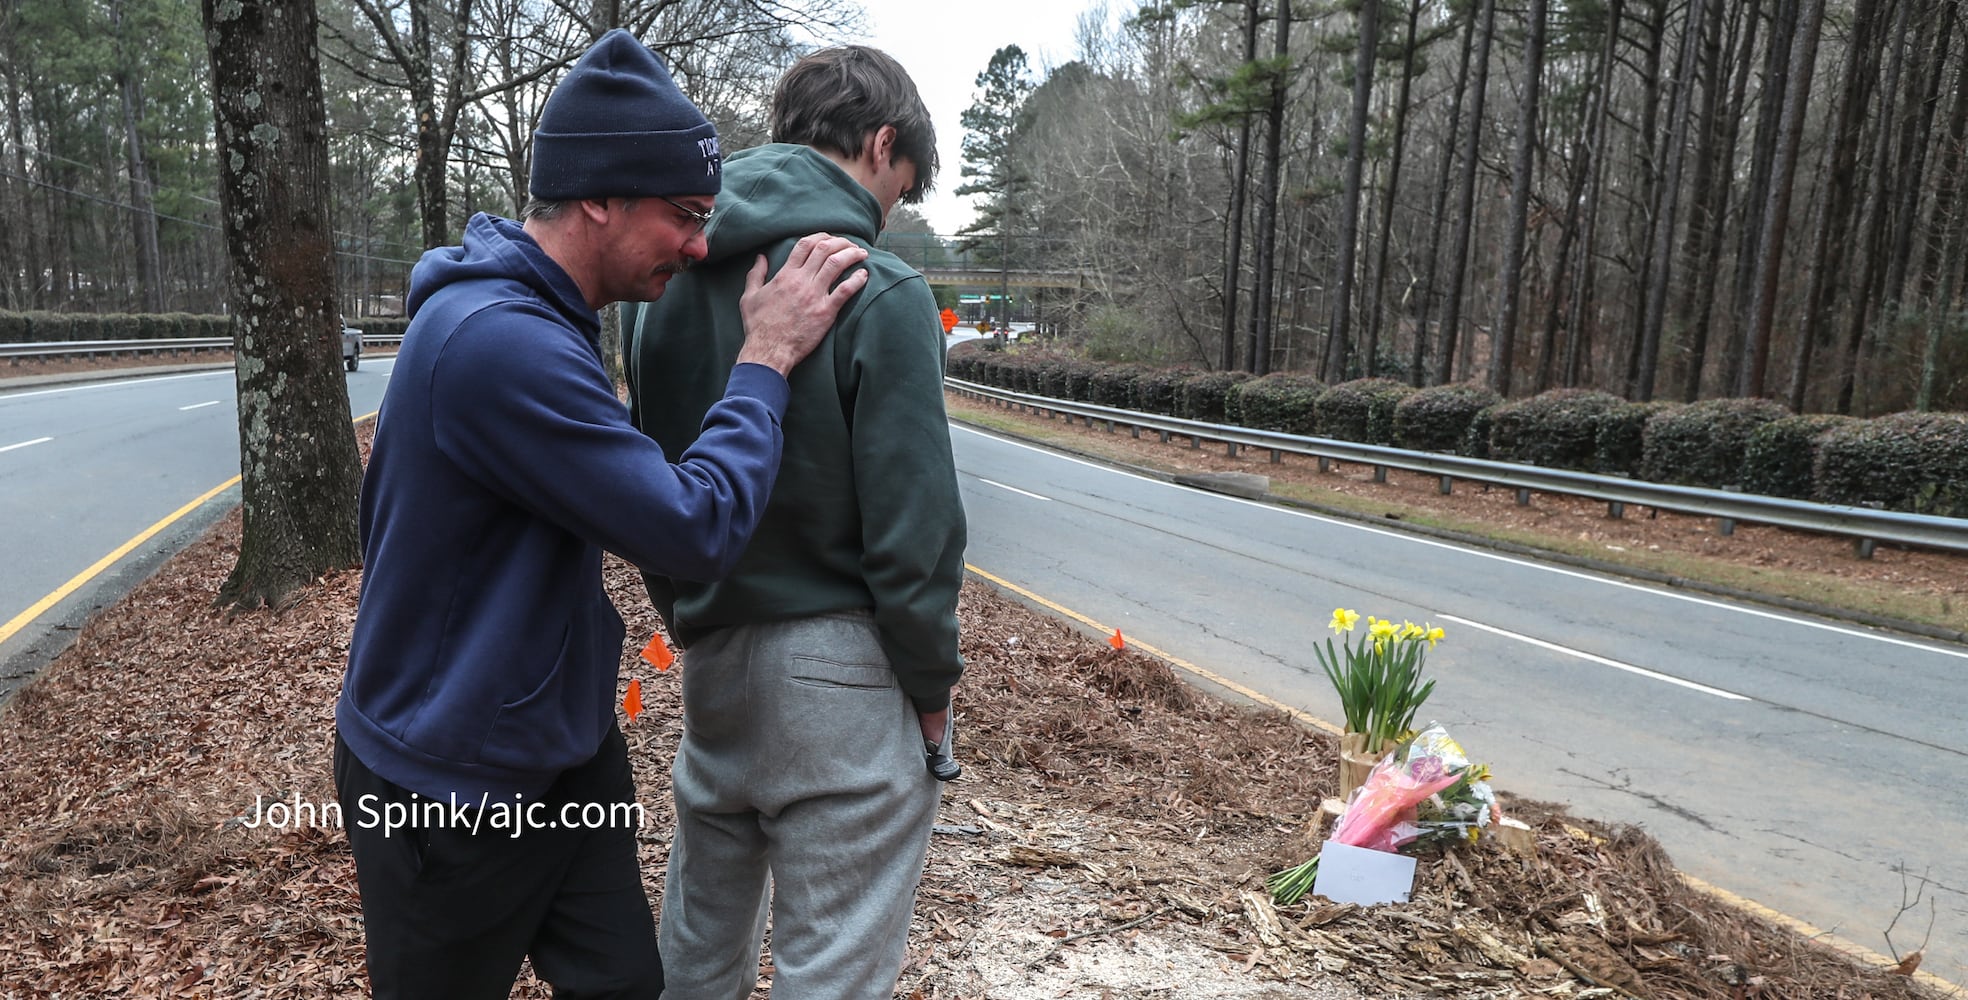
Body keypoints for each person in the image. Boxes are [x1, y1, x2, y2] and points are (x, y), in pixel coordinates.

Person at [332, 29, 870, 1000]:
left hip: (560, 761)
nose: (703, 245)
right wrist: (766, 358)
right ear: (598, 198)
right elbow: (691, 527)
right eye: (686, 215)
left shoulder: (539, 322)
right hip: (449, 789)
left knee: (626, 982)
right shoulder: (501, 346)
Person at [623, 45, 966, 1000]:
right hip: (846, 680)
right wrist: (930, 691)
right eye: (897, 186)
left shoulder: (661, 297)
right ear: (881, 141)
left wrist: (693, 614)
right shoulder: (881, 292)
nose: (887, 212)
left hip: (714, 661)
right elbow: (916, 537)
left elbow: (658, 492)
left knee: (697, 953)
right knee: (833, 966)